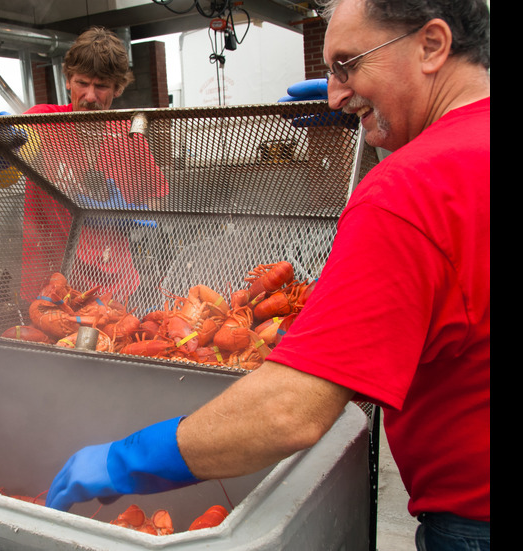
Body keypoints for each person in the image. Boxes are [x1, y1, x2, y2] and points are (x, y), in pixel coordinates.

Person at [44, 1, 490, 549]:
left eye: (348, 65)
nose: (334, 94)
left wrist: (125, 460)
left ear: (432, 46)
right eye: (330, 72)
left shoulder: (408, 191)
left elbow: (289, 410)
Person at [0, 27, 170, 302]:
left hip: (114, 286)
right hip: (49, 282)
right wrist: (2, 155)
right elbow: (8, 176)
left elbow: (158, 200)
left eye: (102, 86)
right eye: (83, 83)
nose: (90, 97)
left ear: (118, 88)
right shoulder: (42, 121)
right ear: (68, 82)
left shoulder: (129, 135)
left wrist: (131, 213)